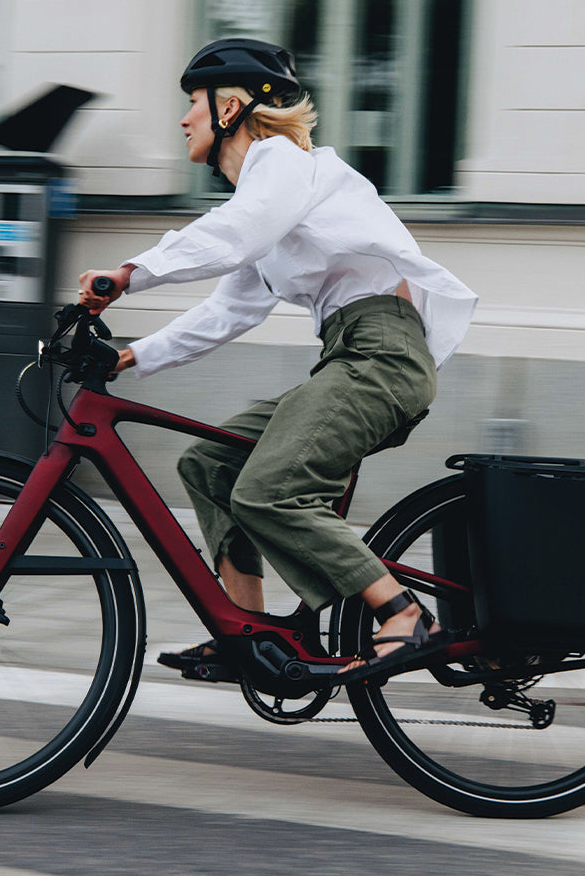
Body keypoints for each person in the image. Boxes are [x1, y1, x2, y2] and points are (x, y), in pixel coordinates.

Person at [79, 37, 477, 685]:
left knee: (271, 491)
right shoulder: (269, 209)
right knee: (212, 462)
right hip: (349, 356)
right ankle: (247, 632)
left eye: (193, 105)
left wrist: (130, 274)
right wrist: (125, 357)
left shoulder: (284, 164)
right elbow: (225, 310)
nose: (184, 119)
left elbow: (237, 231)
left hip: (382, 355)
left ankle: (404, 616)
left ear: (231, 106)